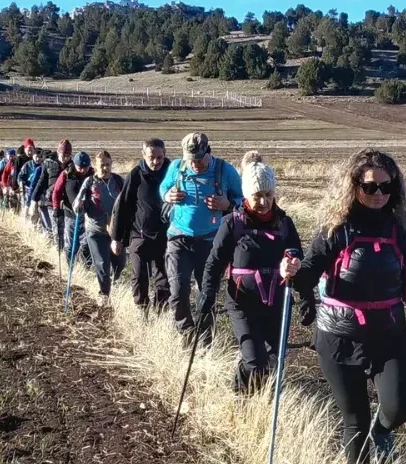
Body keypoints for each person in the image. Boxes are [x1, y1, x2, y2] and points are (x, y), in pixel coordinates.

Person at [292, 148, 406, 464]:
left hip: (388, 335)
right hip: (338, 338)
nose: (378, 194)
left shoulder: (399, 233)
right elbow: (310, 269)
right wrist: (293, 272)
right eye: (369, 187)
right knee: (355, 421)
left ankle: (382, 433)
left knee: (398, 407)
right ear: (354, 187)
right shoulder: (336, 229)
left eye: (386, 187)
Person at [196, 155, 302, 392]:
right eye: (257, 196)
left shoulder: (285, 223)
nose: (264, 201)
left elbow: (299, 259)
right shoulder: (233, 224)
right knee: (255, 362)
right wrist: (207, 295)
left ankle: (261, 404)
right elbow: (215, 262)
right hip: (242, 302)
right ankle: (242, 394)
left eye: (268, 194)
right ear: (246, 195)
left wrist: (296, 271)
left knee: (275, 362)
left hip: (277, 301)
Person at [159, 132, 242, 333]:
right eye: (190, 160)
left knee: (206, 294)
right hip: (178, 238)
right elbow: (163, 188)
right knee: (178, 291)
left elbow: (243, 202)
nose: (194, 164)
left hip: (210, 242)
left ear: (208, 152)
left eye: (198, 160)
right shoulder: (177, 167)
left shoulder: (225, 170)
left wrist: (228, 204)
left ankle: (204, 340)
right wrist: (168, 196)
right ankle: (185, 333)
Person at [110, 138, 171, 313]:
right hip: (140, 235)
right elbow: (123, 207)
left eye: (159, 157)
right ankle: (141, 311)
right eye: (151, 157)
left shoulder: (171, 173)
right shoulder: (135, 175)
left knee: (164, 278)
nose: (156, 161)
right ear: (143, 155)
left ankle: (161, 313)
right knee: (139, 277)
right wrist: (116, 238)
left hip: (165, 236)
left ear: (164, 155)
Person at [74, 149, 126, 299]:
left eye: (108, 165)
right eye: (102, 165)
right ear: (96, 166)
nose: (105, 168)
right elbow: (78, 200)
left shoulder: (118, 181)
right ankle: (104, 294)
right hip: (95, 231)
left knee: (120, 263)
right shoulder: (90, 182)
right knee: (102, 263)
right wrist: (78, 205)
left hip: (116, 231)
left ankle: (115, 282)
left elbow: (128, 200)